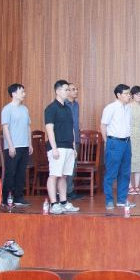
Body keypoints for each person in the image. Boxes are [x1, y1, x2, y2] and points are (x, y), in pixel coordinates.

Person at [44, 79, 79, 214]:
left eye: (69, 89)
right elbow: (49, 129)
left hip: (68, 147)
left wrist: (73, 147)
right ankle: (54, 204)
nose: (68, 92)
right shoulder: (51, 108)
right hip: (57, 147)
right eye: (66, 89)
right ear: (58, 91)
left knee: (64, 176)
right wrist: (54, 148)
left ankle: (63, 202)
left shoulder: (68, 109)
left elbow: (72, 129)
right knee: (54, 175)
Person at [101, 84, 134, 211]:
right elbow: (103, 125)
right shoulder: (110, 108)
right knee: (111, 173)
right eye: (126, 93)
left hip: (126, 142)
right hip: (114, 142)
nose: (129, 96)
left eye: (129, 93)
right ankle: (109, 200)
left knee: (125, 172)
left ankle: (122, 200)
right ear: (118, 95)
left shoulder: (128, 108)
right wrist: (107, 142)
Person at [0, 83, 31, 207]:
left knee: (21, 173)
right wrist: (10, 146)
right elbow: (5, 128)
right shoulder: (7, 109)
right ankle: (5, 199)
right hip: (12, 146)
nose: (24, 94)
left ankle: (19, 197)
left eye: (24, 91)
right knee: (10, 173)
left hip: (24, 146)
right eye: (21, 92)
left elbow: (28, 127)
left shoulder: (25, 109)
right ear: (13, 94)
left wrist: (30, 144)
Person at [65, 82, 82, 200]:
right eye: (73, 89)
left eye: (76, 89)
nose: (76, 91)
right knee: (65, 167)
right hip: (66, 140)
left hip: (76, 139)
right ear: (67, 91)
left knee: (73, 166)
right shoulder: (63, 104)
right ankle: (62, 193)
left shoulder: (76, 105)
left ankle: (69, 191)